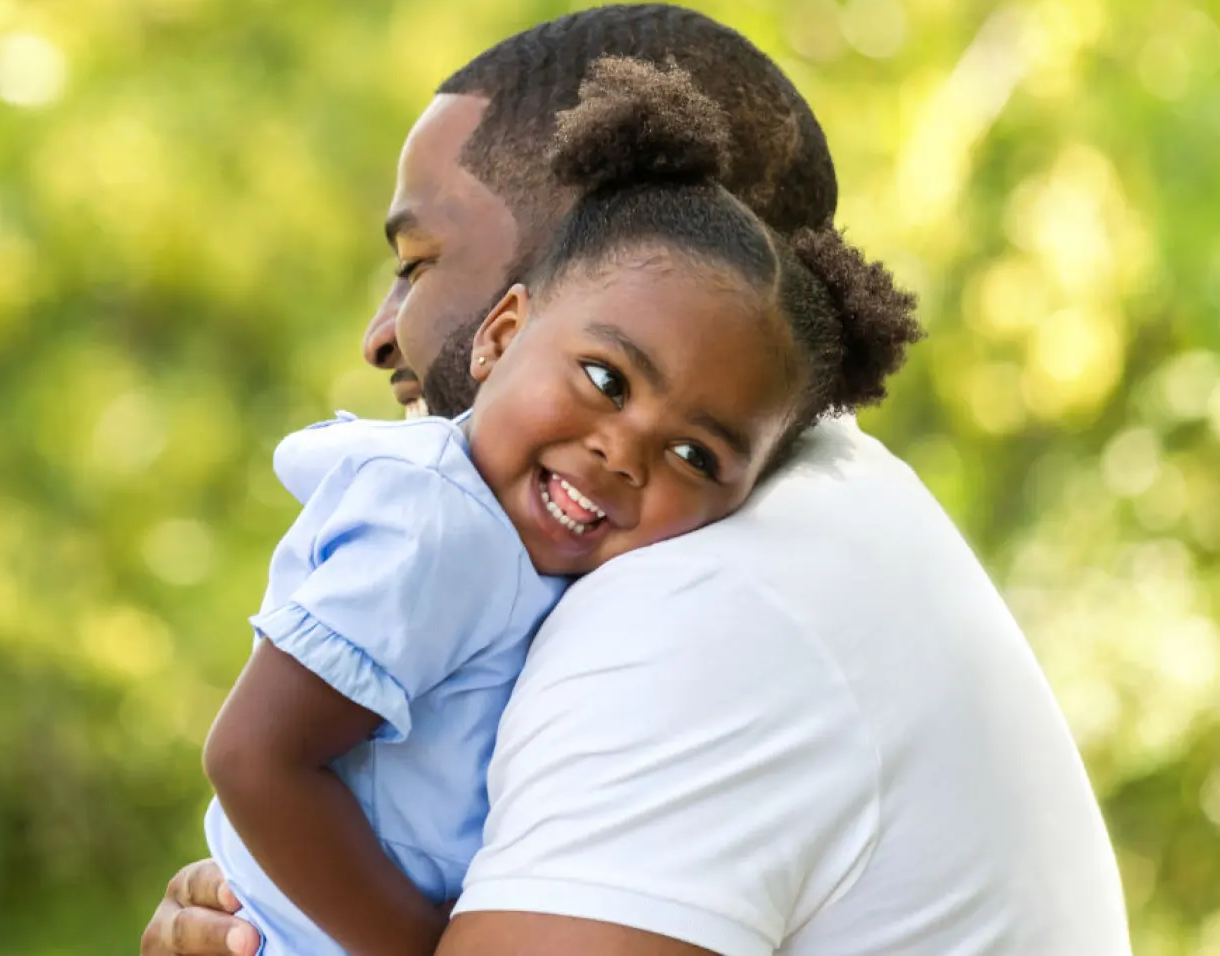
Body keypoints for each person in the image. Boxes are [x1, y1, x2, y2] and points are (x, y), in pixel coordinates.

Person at [145, 5, 1132, 956]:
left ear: (565, 271)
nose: (379, 335)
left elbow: (261, 759)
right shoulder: (782, 516)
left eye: (420, 261)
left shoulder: (703, 601)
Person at [200, 59, 921, 956]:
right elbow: (253, 758)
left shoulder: (577, 572)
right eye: (606, 380)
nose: (624, 452)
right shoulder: (435, 524)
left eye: (695, 456)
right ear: (502, 336)